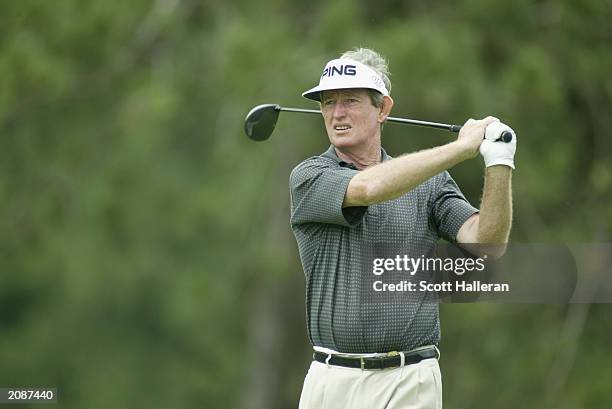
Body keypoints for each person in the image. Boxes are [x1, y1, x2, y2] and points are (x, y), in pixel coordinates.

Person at [289, 47, 515, 409]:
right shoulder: (310, 177)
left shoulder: (431, 183)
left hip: (412, 379)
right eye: (328, 103)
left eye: (350, 100)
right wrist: (460, 148)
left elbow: (486, 243)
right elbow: (370, 188)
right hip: (333, 380)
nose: (337, 113)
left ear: (383, 109)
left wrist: (499, 162)